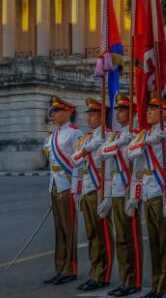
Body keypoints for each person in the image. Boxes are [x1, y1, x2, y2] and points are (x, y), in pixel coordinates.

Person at [126, 92, 166, 298]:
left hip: (162, 193)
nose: (148, 112)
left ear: (164, 112)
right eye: (148, 109)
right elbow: (132, 156)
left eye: (153, 109)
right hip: (148, 192)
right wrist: (134, 194)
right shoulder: (145, 135)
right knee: (154, 243)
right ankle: (156, 284)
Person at [99, 93, 143, 297]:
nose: (118, 113)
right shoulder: (115, 137)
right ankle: (125, 278)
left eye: (122, 109)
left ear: (131, 113)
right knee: (121, 239)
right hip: (116, 190)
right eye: (116, 110)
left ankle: (134, 280)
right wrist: (107, 196)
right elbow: (104, 157)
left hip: (128, 191)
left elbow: (139, 168)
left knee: (131, 239)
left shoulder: (137, 135)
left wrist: (135, 194)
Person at [71, 98, 114, 291]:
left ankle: (103, 274)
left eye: (93, 114)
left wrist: (108, 195)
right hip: (87, 187)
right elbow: (77, 166)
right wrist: (76, 189)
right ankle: (94, 271)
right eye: (88, 114)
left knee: (102, 234)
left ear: (102, 116)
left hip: (100, 189)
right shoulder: (85, 139)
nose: (89, 117)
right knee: (91, 234)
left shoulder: (109, 137)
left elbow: (112, 167)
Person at [42, 96, 82, 286]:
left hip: (68, 185)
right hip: (55, 185)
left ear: (68, 112)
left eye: (57, 111)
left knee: (69, 228)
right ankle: (59, 268)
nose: (54, 115)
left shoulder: (75, 133)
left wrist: (77, 188)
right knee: (59, 230)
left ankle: (70, 268)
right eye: (53, 112)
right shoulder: (52, 136)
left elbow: (79, 163)